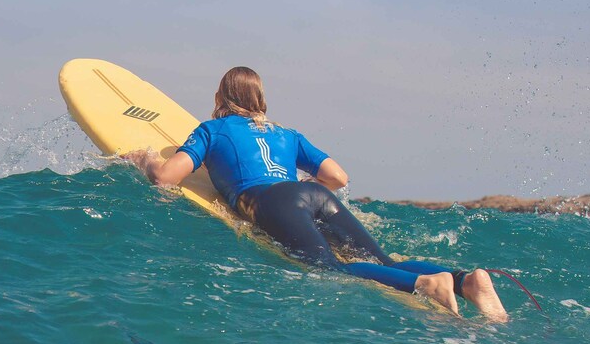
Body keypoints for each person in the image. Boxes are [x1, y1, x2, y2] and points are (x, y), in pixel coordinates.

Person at [124, 67, 508, 322]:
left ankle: (424, 284)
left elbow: (167, 178)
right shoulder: (286, 133)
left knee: (330, 269)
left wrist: (145, 159)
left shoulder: (212, 130)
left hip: (271, 202)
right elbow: (337, 177)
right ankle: (465, 280)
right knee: (382, 259)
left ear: (220, 97)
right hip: (314, 196)